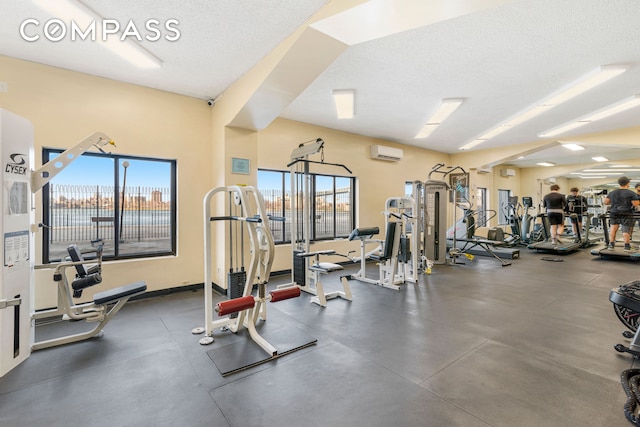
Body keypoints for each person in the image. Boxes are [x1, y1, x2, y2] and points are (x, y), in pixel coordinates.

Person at [604, 176, 640, 251]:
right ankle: (627, 246)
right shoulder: (631, 193)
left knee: (613, 228)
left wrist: (615, 202)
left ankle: (611, 245)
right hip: (626, 213)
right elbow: (635, 204)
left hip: (614, 212)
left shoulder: (612, 193)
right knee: (625, 229)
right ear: (628, 183)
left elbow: (606, 202)